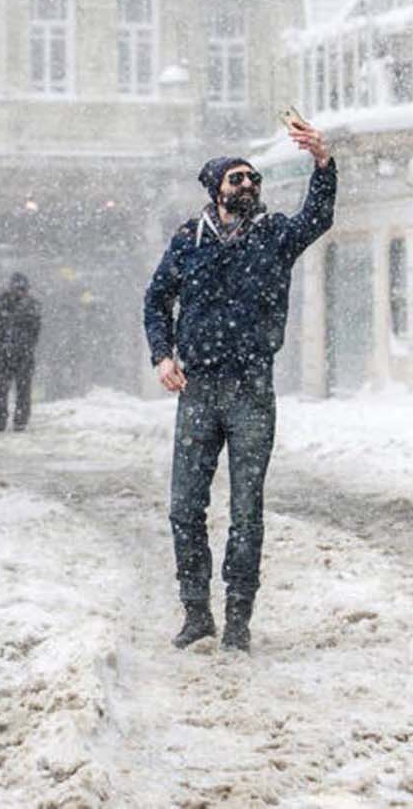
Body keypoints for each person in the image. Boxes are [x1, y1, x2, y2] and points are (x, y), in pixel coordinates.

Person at [143, 121, 336, 652]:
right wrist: (162, 355)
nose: (248, 186)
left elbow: (318, 216)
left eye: (253, 179)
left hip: (252, 389)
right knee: (185, 506)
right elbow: (156, 300)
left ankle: (238, 618)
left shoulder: (274, 236)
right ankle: (196, 612)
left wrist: (323, 164)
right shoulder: (189, 240)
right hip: (199, 391)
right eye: (236, 180)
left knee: (247, 509)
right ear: (216, 191)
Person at [0, 273, 42, 432]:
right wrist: (4, 301)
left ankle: (20, 420)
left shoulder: (32, 305)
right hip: (4, 353)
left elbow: (35, 329)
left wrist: (27, 345)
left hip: (23, 354)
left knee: (22, 390)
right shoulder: (3, 301)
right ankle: (0, 420)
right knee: (1, 389)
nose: (19, 292)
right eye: (17, 289)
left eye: (22, 289)